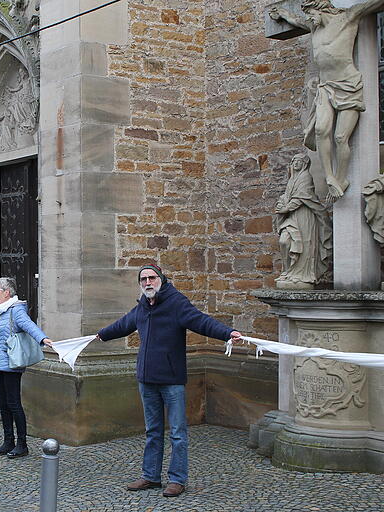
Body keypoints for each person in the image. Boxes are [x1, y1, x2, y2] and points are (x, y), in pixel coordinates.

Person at [95, 264, 241, 498]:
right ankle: (151, 476)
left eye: (152, 278)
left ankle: (177, 479)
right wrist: (101, 334)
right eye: (143, 279)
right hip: (147, 379)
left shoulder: (176, 303)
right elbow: (123, 325)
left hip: (171, 380)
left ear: (161, 279)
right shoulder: (142, 306)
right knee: (153, 431)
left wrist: (227, 333)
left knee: (177, 432)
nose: (147, 283)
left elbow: (201, 321)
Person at [269, 0, 384, 200]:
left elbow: (372, 5)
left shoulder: (348, 17)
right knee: (321, 129)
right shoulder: (314, 27)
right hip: (325, 87)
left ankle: (341, 178)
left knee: (340, 137)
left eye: (312, 14)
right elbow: (296, 20)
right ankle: (330, 176)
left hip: (348, 85)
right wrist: (282, 13)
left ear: (322, 9)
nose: (310, 19)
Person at [0, 277, 53, 459]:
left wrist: (43, 338)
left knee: (14, 404)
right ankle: (7, 441)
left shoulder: (16, 311)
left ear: (7, 293)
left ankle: (22, 444)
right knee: (3, 405)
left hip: (11, 365)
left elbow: (29, 326)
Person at [275, 153, 331, 288]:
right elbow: (287, 196)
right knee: (284, 240)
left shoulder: (306, 177)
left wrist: (286, 208)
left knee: (304, 244)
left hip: (304, 215)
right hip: (292, 216)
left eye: (299, 161)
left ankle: (303, 275)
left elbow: (302, 196)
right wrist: (281, 203)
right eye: (294, 161)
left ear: (305, 164)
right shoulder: (292, 179)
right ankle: (288, 271)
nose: (296, 163)